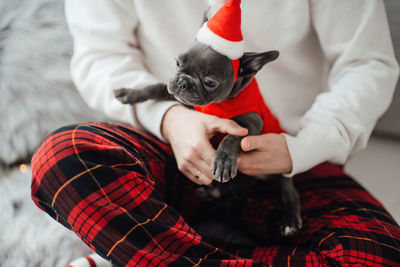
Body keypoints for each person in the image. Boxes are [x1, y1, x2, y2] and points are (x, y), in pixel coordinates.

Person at [31, 0, 400, 266]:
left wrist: (301, 147)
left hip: (287, 155)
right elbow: (100, 57)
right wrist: (170, 119)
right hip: (167, 144)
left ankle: (149, 252)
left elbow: (367, 63)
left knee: (376, 253)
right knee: (62, 155)